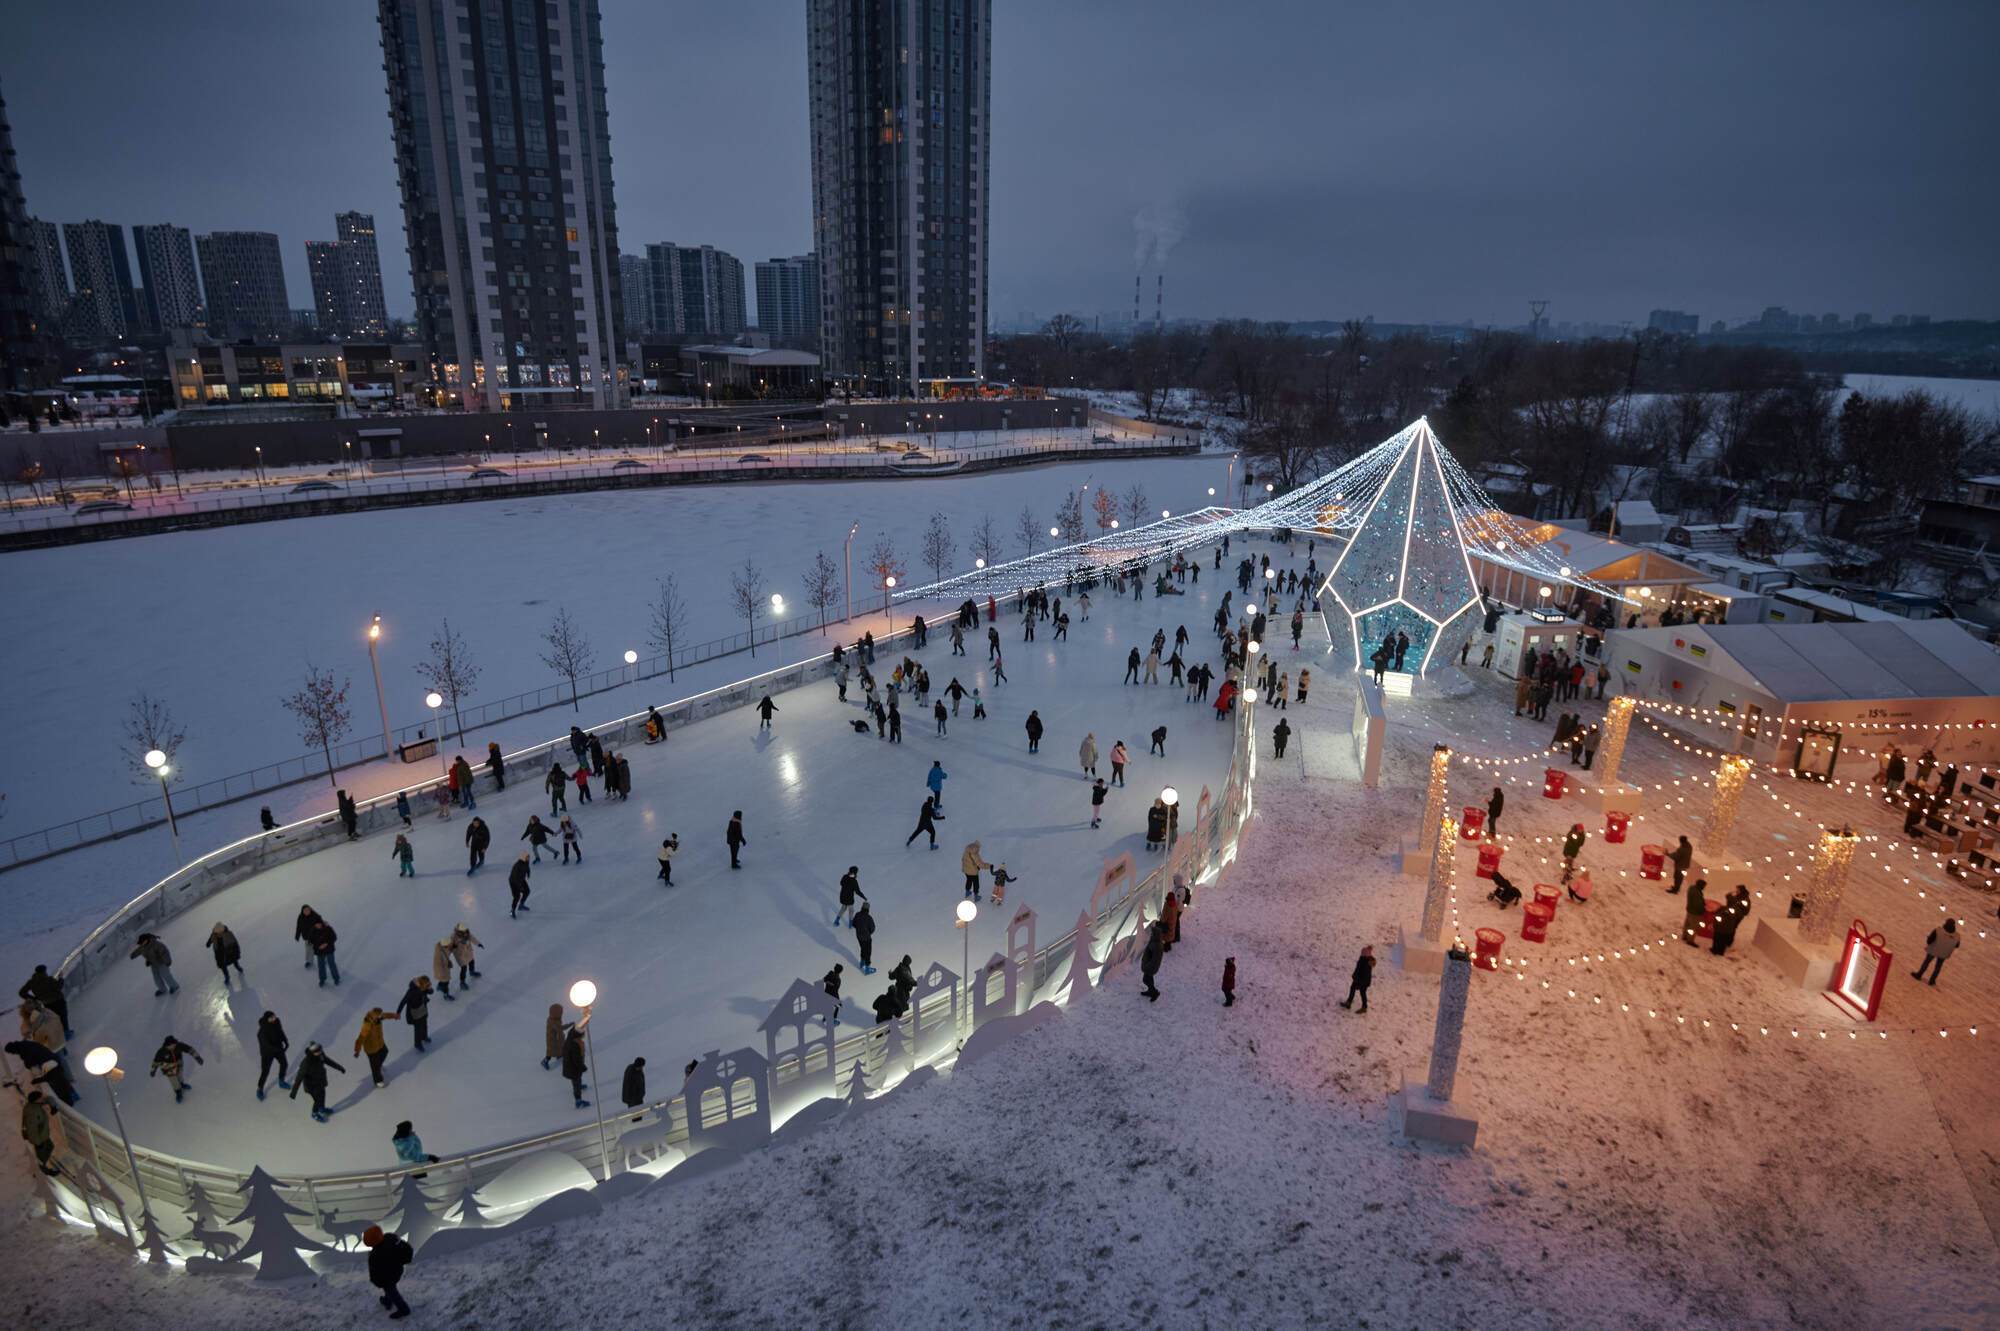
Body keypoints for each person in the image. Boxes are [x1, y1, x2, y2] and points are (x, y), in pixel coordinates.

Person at [363, 1224, 415, 1319]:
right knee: (390, 1289)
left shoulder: (376, 1255)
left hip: (388, 1277)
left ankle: (404, 1309)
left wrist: (377, 1282)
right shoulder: (390, 1238)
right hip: (397, 1271)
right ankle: (388, 1300)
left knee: (392, 1292)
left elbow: (375, 1272)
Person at [291, 1041, 346, 1122]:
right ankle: (314, 1113)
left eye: (320, 1050)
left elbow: (328, 1061)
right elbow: (299, 1077)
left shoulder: (320, 1055)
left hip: (320, 1080)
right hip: (311, 1085)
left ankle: (321, 1109)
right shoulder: (306, 1063)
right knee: (317, 1100)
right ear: (312, 1052)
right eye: (318, 1051)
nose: (320, 1052)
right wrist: (293, 1092)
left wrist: (339, 1067)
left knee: (323, 1095)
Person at [17, 965, 71, 1040]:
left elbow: (22, 992)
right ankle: (66, 1034)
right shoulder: (49, 979)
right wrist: (61, 978)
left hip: (46, 1004)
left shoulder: (31, 982)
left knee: (53, 1019)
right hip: (58, 1001)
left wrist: (35, 998)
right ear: (44, 971)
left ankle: (57, 1036)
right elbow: (58, 987)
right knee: (63, 1016)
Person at [149, 1035, 204, 1103]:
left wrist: (197, 1057)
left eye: (174, 1044)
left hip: (178, 1065)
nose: (174, 1046)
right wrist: (153, 1070)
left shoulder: (179, 1045)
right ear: (167, 1045)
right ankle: (178, 1092)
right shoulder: (161, 1052)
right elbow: (155, 1062)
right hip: (168, 1068)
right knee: (174, 1080)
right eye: (172, 1045)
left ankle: (182, 1084)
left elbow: (190, 1049)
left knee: (180, 1075)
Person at [354, 1007, 398, 1087]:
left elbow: (386, 1015)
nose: (381, 1016)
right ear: (375, 1015)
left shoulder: (379, 1017)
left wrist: (394, 1015)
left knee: (385, 1052)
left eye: (381, 1015)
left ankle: (379, 1065)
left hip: (379, 1043)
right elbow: (361, 1038)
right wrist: (357, 1050)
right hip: (371, 1048)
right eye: (380, 1015)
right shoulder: (367, 1024)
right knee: (375, 1066)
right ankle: (378, 1081)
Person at [21, 1089, 60, 1176]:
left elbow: (48, 1099)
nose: (43, 1099)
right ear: (36, 1100)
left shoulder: (36, 1104)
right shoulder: (32, 1113)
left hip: (43, 1134)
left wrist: (53, 1106)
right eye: (41, 1098)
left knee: (50, 1146)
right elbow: (31, 1129)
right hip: (37, 1138)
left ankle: (43, 1162)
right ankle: (44, 1171)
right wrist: (38, 1143)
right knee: (41, 1156)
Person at [1914, 919, 1959, 985]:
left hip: (1933, 950)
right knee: (1938, 967)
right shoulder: (1957, 936)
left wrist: (1928, 940)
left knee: (1926, 962)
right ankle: (1932, 981)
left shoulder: (1938, 930)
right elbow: (1957, 945)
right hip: (1944, 953)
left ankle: (1919, 974)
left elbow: (1929, 940)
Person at [395, 977, 433, 1052]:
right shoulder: (411, 992)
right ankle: (417, 1044)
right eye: (426, 985)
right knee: (418, 1028)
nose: (427, 986)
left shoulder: (424, 988)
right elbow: (403, 1001)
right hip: (414, 1012)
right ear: (421, 985)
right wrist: (398, 1013)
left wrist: (429, 988)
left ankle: (424, 1036)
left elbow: (431, 992)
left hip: (422, 1009)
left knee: (424, 1024)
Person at [1710, 886, 1750, 956]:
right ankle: (1721, 946)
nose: (1736, 891)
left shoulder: (1744, 900)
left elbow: (1745, 910)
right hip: (1731, 918)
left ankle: (1726, 943)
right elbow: (1728, 897)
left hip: (1734, 918)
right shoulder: (1736, 898)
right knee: (1726, 932)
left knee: (1726, 932)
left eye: (1738, 890)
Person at [562, 1024, 591, 1108]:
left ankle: (579, 1086)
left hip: (570, 1066)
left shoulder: (571, 1036)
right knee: (576, 1082)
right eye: (583, 1034)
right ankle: (578, 1101)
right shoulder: (575, 1045)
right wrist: (583, 1067)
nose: (584, 1036)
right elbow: (576, 1060)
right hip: (573, 1068)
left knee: (576, 1080)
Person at [1339, 946, 1374, 1012]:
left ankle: (1364, 1007)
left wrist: (1359, 981)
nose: (1361, 953)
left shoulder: (1366, 962)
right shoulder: (1363, 959)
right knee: (1353, 989)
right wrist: (1354, 975)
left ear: (1366, 954)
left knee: (1362, 992)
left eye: (1363, 953)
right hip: (1358, 979)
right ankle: (1349, 1003)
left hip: (1362, 981)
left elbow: (1364, 974)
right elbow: (1358, 969)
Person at [1139, 922, 1165, 1002]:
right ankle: (1151, 991)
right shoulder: (1154, 941)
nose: (1151, 934)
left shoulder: (1157, 945)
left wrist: (1148, 966)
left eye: (1152, 933)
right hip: (1149, 965)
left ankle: (1154, 992)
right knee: (1149, 979)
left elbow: (1155, 959)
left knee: (1146, 979)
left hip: (1150, 966)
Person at [1681, 879, 1709, 947]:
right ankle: (1690, 940)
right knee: (1693, 927)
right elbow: (1698, 905)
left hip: (1690, 910)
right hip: (1695, 912)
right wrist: (1703, 910)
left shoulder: (1692, 888)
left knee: (1687, 924)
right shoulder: (1697, 892)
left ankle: (1684, 936)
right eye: (1704, 886)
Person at [852, 902, 877, 974]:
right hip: (866, 938)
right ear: (868, 909)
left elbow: (854, 924)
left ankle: (862, 962)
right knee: (868, 952)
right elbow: (872, 928)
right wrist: (868, 933)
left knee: (862, 948)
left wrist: (858, 929)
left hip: (859, 936)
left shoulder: (857, 914)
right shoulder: (869, 918)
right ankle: (867, 969)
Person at [543, 1004, 567, 1071]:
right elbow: (560, 1028)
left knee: (559, 1048)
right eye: (560, 1012)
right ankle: (545, 1061)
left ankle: (559, 1055)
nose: (561, 1014)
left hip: (557, 1038)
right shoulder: (553, 1021)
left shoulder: (555, 1018)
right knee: (551, 1052)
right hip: (552, 1040)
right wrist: (570, 1025)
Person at [509, 852, 533, 917]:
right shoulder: (517, 865)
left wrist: (528, 873)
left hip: (521, 879)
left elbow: (527, 867)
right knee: (517, 896)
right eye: (527, 857)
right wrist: (519, 887)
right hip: (514, 881)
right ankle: (512, 910)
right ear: (523, 858)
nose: (528, 858)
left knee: (527, 891)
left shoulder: (526, 862)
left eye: (529, 857)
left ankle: (521, 905)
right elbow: (515, 877)